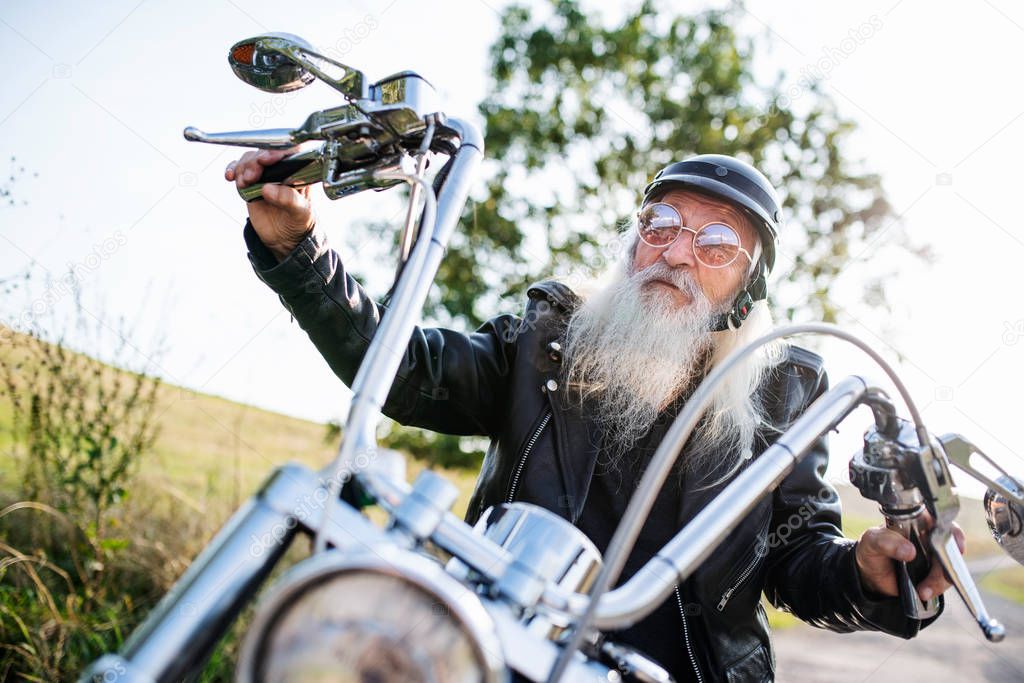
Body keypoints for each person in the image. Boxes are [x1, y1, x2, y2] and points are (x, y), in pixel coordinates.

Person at [225, 150, 962, 682]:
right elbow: (409, 372)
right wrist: (300, 249)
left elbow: (800, 558)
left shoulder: (780, 394)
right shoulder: (547, 338)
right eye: (662, 222)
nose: (677, 251)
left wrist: (868, 572)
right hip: (508, 651)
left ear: (747, 287)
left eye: (715, 244)